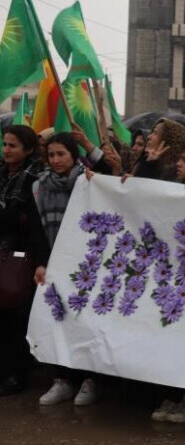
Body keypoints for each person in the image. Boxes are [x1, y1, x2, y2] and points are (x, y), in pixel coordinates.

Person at [32, 132, 103, 406]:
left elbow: (112, 173)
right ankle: (62, 379)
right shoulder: (39, 186)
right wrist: (41, 262)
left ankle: (90, 380)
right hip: (55, 264)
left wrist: (90, 146)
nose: (55, 160)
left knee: (85, 322)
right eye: (51, 155)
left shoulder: (89, 180)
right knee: (57, 320)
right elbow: (37, 229)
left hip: (86, 264)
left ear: (74, 155)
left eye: (61, 154)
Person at [0, 125, 48, 396]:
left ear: (28, 149)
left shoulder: (35, 179)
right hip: (3, 251)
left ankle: (17, 374)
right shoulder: (3, 173)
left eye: (12, 145)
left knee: (15, 316)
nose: (6, 150)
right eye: (4, 144)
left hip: (20, 255)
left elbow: (29, 223)